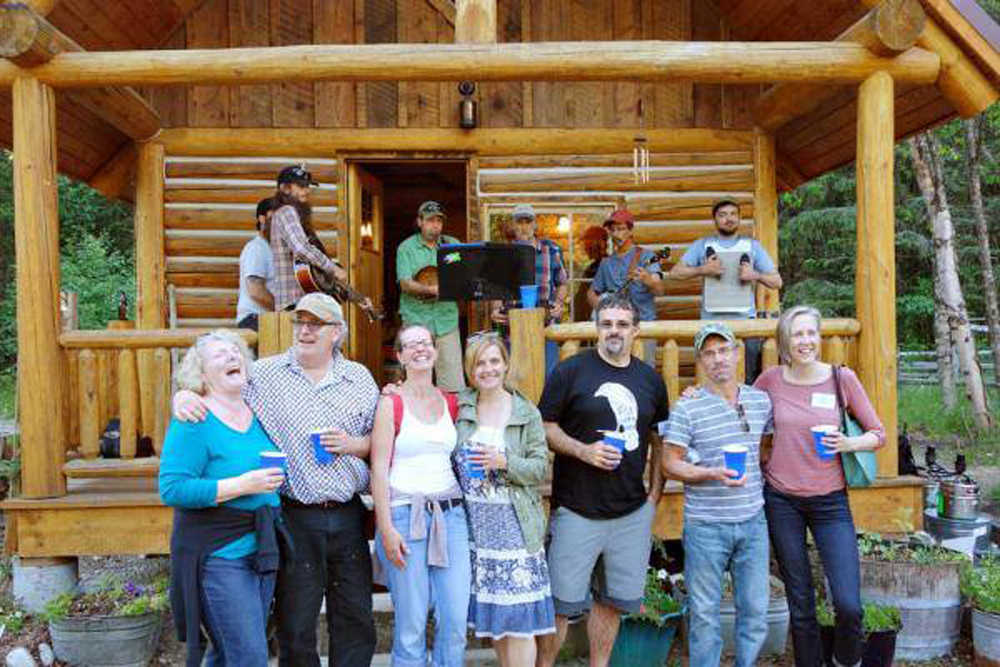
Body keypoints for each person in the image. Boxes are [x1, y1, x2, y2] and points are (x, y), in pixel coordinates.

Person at [173, 292, 378, 667]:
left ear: (337, 333)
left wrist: (355, 444)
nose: (305, 330)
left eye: (316, 324)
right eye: (300, 322)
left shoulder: (360, 379)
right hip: (294, 514)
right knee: (296, 622)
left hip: (349, 514)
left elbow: (380, 443)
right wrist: (183, 395)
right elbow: (216, 387)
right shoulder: (264, 374)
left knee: (355, 617)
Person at [536, 292, 669, 667]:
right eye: (607, 323)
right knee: (560, 607)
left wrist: (655, 495)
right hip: (576, 510)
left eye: (623, 325)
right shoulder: (570, 371)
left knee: (612, 604)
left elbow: (660, 437)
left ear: (636, 331)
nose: (615, 331)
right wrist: (583, 450)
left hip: (630, 513)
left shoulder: (650, 380)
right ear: (597, 327)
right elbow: (545, 426)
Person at [754, 305, 884, 667]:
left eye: (811, 333)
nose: (805, 341)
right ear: (785, 340)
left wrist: (849, 443)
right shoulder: (770, 380)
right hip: (781, 500)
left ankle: (845, 660)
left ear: (819, 337)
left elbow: (879, 434)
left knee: (848, 603)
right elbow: (740, 412)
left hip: (830, 502)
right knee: (801, 601)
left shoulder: (841, 379)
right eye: (797, 334)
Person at [159, 330, 291, 667]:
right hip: (219, 554)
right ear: (202, 375)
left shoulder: (258, 410)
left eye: (236, 351)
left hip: (262, 548)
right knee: (248, 656)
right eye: (220, 355)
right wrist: (242, 485)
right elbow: (172, 489)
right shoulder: (194, 419)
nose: (232, 356)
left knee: (226, 651)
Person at [660, 322, 773, 667]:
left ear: (737, 354)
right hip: (706, 525)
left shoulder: (760, 401)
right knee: (705, 614)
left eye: (724, 350)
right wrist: (710, 473)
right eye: (708, 353)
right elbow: (669, 464)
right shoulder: (687, 408)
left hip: (754, 522)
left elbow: (766, 449)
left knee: (755, 611)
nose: (717, 359)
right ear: (700, 362)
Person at [370, 323, 470, 667]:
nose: (420, 350)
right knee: (411, 624)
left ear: (436, 351)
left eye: (425, 343)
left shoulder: (452, 402)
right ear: (400, 356)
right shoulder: (390, 403)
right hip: (404, 515)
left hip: (451, 515)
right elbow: (379, 468)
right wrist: (385, 529)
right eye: (410, 345)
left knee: (455, 619)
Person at [454, 331, 555, 666]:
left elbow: (540, 468)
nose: (488, 369)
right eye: (480, 363)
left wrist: (505, 462)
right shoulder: (460, 406)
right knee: (498, 622)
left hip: (516, 526)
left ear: (506, 364)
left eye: (494, 361)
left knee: (521, 624)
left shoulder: (526, 412)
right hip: (478, 529)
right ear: (470, 369)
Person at [669, 199, 783, 382]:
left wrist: (755, 275)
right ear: (715, 219)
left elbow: (777, 281)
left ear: (739, 218)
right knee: (710, 376)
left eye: (732, 214)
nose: (728, 219)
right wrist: (702, 270)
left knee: (748, 377)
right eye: (722, 215)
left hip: (746, 323)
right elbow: (675, 273)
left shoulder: (752, 246)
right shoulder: (702, 245)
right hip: (711, 322)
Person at [490, 204, 569, 375]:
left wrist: (559, 304)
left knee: (548, 379)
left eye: (528, 222)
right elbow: (496, 288)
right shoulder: (503, 254)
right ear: (513, 225)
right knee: (514, 378)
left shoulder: (551, 250)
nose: (524, 227)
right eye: (519, 222)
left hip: (545, 327)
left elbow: (562, 282)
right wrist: (496, 309)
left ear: (535, 225)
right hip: (513, 328)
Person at [396, 200, 465, 391]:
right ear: (419, 222)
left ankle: (450, 417)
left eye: (439, 221)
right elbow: (405, 283)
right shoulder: (406, 248)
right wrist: (431, 290)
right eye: (430, 220)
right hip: (416, 320)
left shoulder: (453, 245)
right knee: (414, 377)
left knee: (452, 382)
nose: (435, 225)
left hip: (446, 320)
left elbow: (463, 271)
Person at [587, 209, 665, 364]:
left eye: (621, 229)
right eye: (613, 229)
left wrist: (647, 279)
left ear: (630, 231)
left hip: (643, 325)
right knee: (614, 367)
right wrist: (602, 308)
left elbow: (660, 290)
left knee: (644, 368)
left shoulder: (646, 256)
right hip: (615, 327)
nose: (616, 234)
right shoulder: (606, 263)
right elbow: (591, 293)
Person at [270, 165, 348, 311]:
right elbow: (301, 248)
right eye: (300, 186)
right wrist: (332, 268)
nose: (307, 190)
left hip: (297, 304)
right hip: (294, 304)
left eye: (307, 186)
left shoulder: (287, 214)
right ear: (285, 188)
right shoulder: (287, 211)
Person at [236, 198, 276, 331]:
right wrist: (284, 310)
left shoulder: (272, 249)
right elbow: (256, 290)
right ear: (262, 219)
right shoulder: (256, 248)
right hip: (255, 321)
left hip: (269, 320)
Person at [573, 225, 609, 323]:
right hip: (585, 325)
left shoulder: (605, 266)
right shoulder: (593, 267)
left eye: (586, 244)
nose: (584, 248)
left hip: (594, 324)